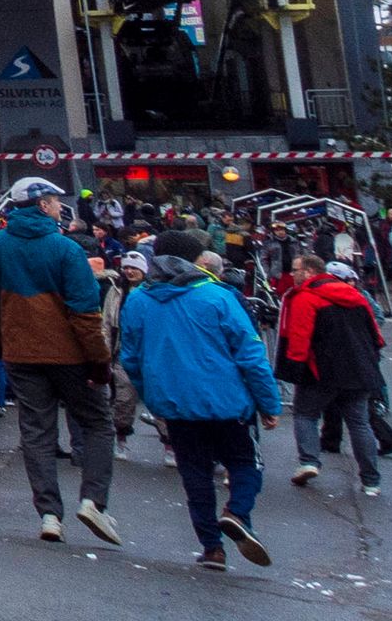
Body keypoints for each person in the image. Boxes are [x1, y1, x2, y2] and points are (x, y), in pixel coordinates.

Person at [117, 228, 280, 572]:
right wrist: (269, 403)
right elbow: (251, 354)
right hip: (228, 400)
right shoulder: (218, 296)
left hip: (175, 404)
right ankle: (237, 512)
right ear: (195, 260)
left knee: (194, 473)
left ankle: (212, 547)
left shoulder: (138, 300)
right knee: (245, 462)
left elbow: (130, 358)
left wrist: (154, 399)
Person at [0, 175, 122, 543]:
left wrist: (4, 346)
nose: (59, 205)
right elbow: (85, 314)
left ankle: (49, 515)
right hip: (69, 354)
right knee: (97, 422)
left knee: (36, 432)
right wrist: (99, 362)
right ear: (42, 205)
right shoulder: (66, 249)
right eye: (55, 200)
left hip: (21, 353)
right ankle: (93, 501)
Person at [277, 259, 387, 494]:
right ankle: (371, 480)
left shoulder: (304, 297)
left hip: (322, 369)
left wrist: (294, 368)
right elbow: (375, 333)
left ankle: (309, 461)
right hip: (358, 367)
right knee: (359, 423)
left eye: (295, 270)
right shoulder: (353, 294)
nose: (292, 274)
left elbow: (299, 337)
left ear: (308, 271)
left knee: (305, 414)